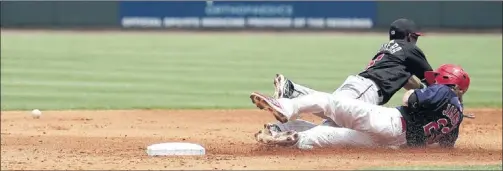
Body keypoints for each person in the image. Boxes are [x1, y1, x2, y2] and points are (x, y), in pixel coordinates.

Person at [251, 64, 470, 149]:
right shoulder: (457, 115)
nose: (434, 81)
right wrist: (452, 111)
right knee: (327, 137)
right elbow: (446, 146)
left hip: (389, 120)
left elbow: (409, 100)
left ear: (447, 79)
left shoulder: (442, 91)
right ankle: (293, 139)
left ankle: (286, 107)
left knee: (329, 103)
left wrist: (417, 91)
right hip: (395, 143)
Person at [269, 18, 433, 128]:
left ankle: (287, 110)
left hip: (361, 86)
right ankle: (293, 96)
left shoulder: (390, 51)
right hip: (368, 89)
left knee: (335, 118)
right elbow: (433, 79)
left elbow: (407, 80)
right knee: (334, 118)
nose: (415, 41)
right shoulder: (409, 49)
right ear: (407, 36)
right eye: (414, 37)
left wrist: (419, 88)